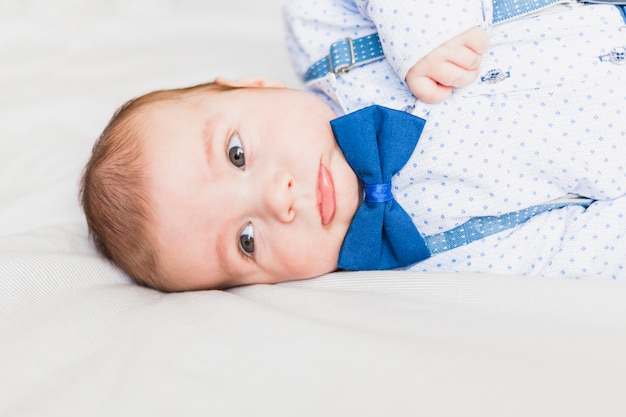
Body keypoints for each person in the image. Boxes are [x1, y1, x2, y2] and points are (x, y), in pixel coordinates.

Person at [81, 0, 626, 292]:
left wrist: (423, 28)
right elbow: (565, 252)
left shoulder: (322, 33)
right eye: (246, 241)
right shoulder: (426, 263)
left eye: (237, 154)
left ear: (251, 87)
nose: (278, 199)